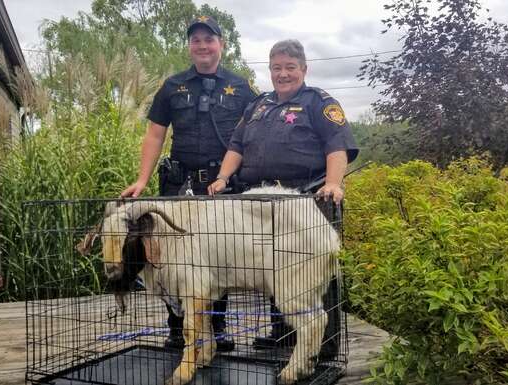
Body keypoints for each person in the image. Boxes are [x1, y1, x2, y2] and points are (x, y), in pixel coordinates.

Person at [208, 39, 358, 351]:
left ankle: (324, 347)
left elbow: (337, 146)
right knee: (275, 268)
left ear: (304, 69)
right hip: (263, 204)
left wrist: (333, 183)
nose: (283, 74)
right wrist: (223, 177)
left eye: (290, 67)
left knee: (312, 270)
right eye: (277, 68)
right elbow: (236, 145)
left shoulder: (319, 101)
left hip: (308, 201)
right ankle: (284, 335)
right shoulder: (259, 104)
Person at [121, 15, 256, 352]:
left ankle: (217, 327)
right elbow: (155, 134)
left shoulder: (241, 88)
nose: (202, 45)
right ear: (189, 46)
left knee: (218, 257)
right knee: (171, 257)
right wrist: (142, 179)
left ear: (221, 45)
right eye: (196, 40)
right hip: (179, 184)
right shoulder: (172, 86)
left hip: (222, 185)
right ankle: (177, 328)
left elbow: (253, 134)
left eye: (209, 39)